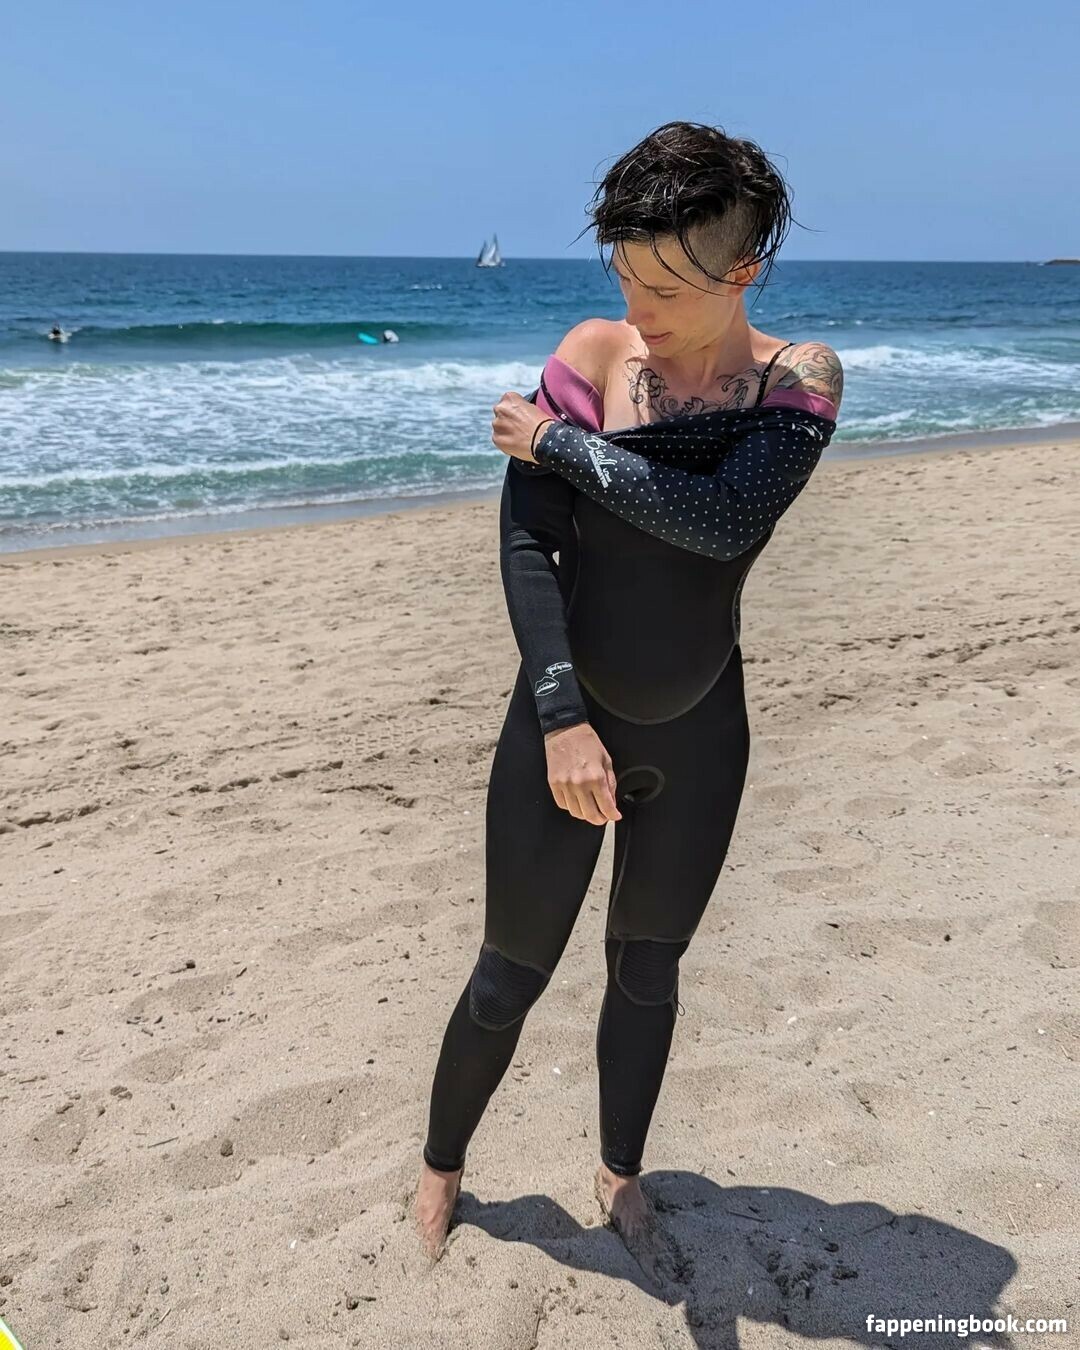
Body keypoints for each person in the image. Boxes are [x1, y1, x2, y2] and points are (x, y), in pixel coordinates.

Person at [413, 120, 844, 1282]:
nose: (635, 307)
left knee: (647, 975)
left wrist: (558, 443)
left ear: (743, 270)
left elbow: (722, 522)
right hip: (564, 720)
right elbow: (528, 550)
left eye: (664, 285)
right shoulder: (593, 353)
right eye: (624, 275)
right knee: (507, 977)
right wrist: (563, 720)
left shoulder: (798, 378)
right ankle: (442, 1170)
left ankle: (619, 1174)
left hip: (702, 732)